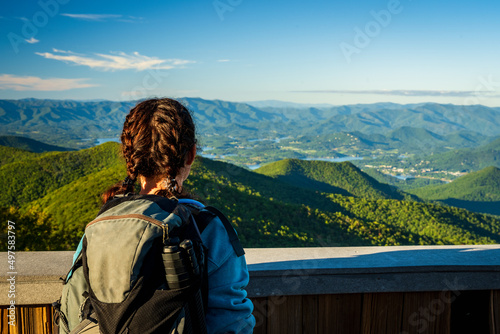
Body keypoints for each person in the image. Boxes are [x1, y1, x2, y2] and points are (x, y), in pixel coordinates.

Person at [102, 98, 256, 333]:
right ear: (191, 154)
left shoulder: (103, 224)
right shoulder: (209, 230)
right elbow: (232, 323)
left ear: (130, 157)